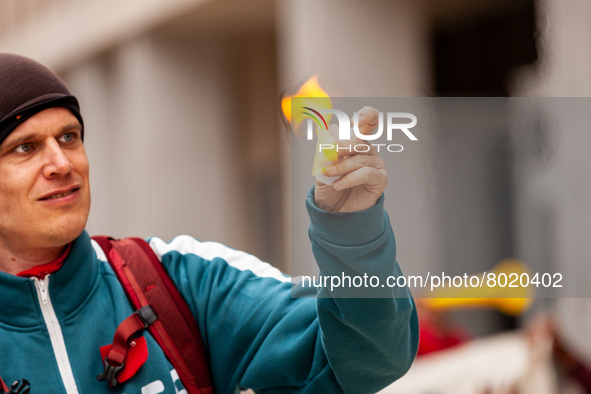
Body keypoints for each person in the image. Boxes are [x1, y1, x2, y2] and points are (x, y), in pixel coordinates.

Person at [0, 53, 418, 394]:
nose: (61, 163)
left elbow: (371, 361)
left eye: (69, 137)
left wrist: (353, 234)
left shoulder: (178, 276)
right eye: (25, 147)